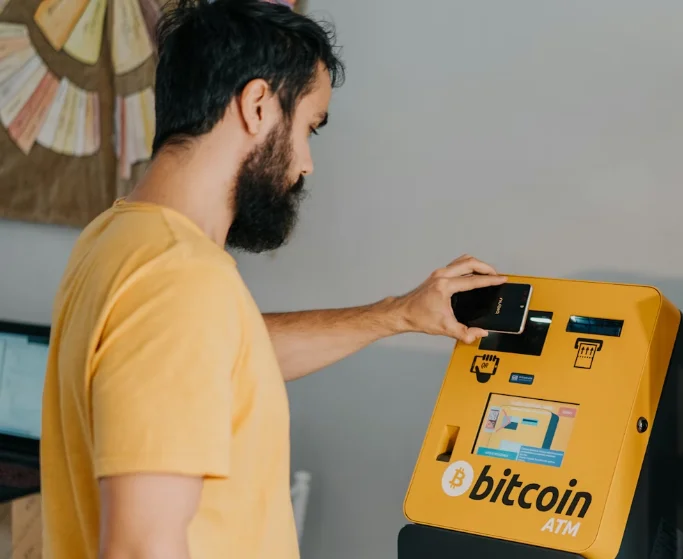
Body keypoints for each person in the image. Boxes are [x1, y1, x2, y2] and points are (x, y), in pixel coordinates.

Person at [39, 0, 505, 557]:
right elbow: (142, 547)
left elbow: (220, 356)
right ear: (257, 105)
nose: (306, 163)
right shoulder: (181, 281)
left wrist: (398, 314)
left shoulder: (117, 239)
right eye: (309, 127)